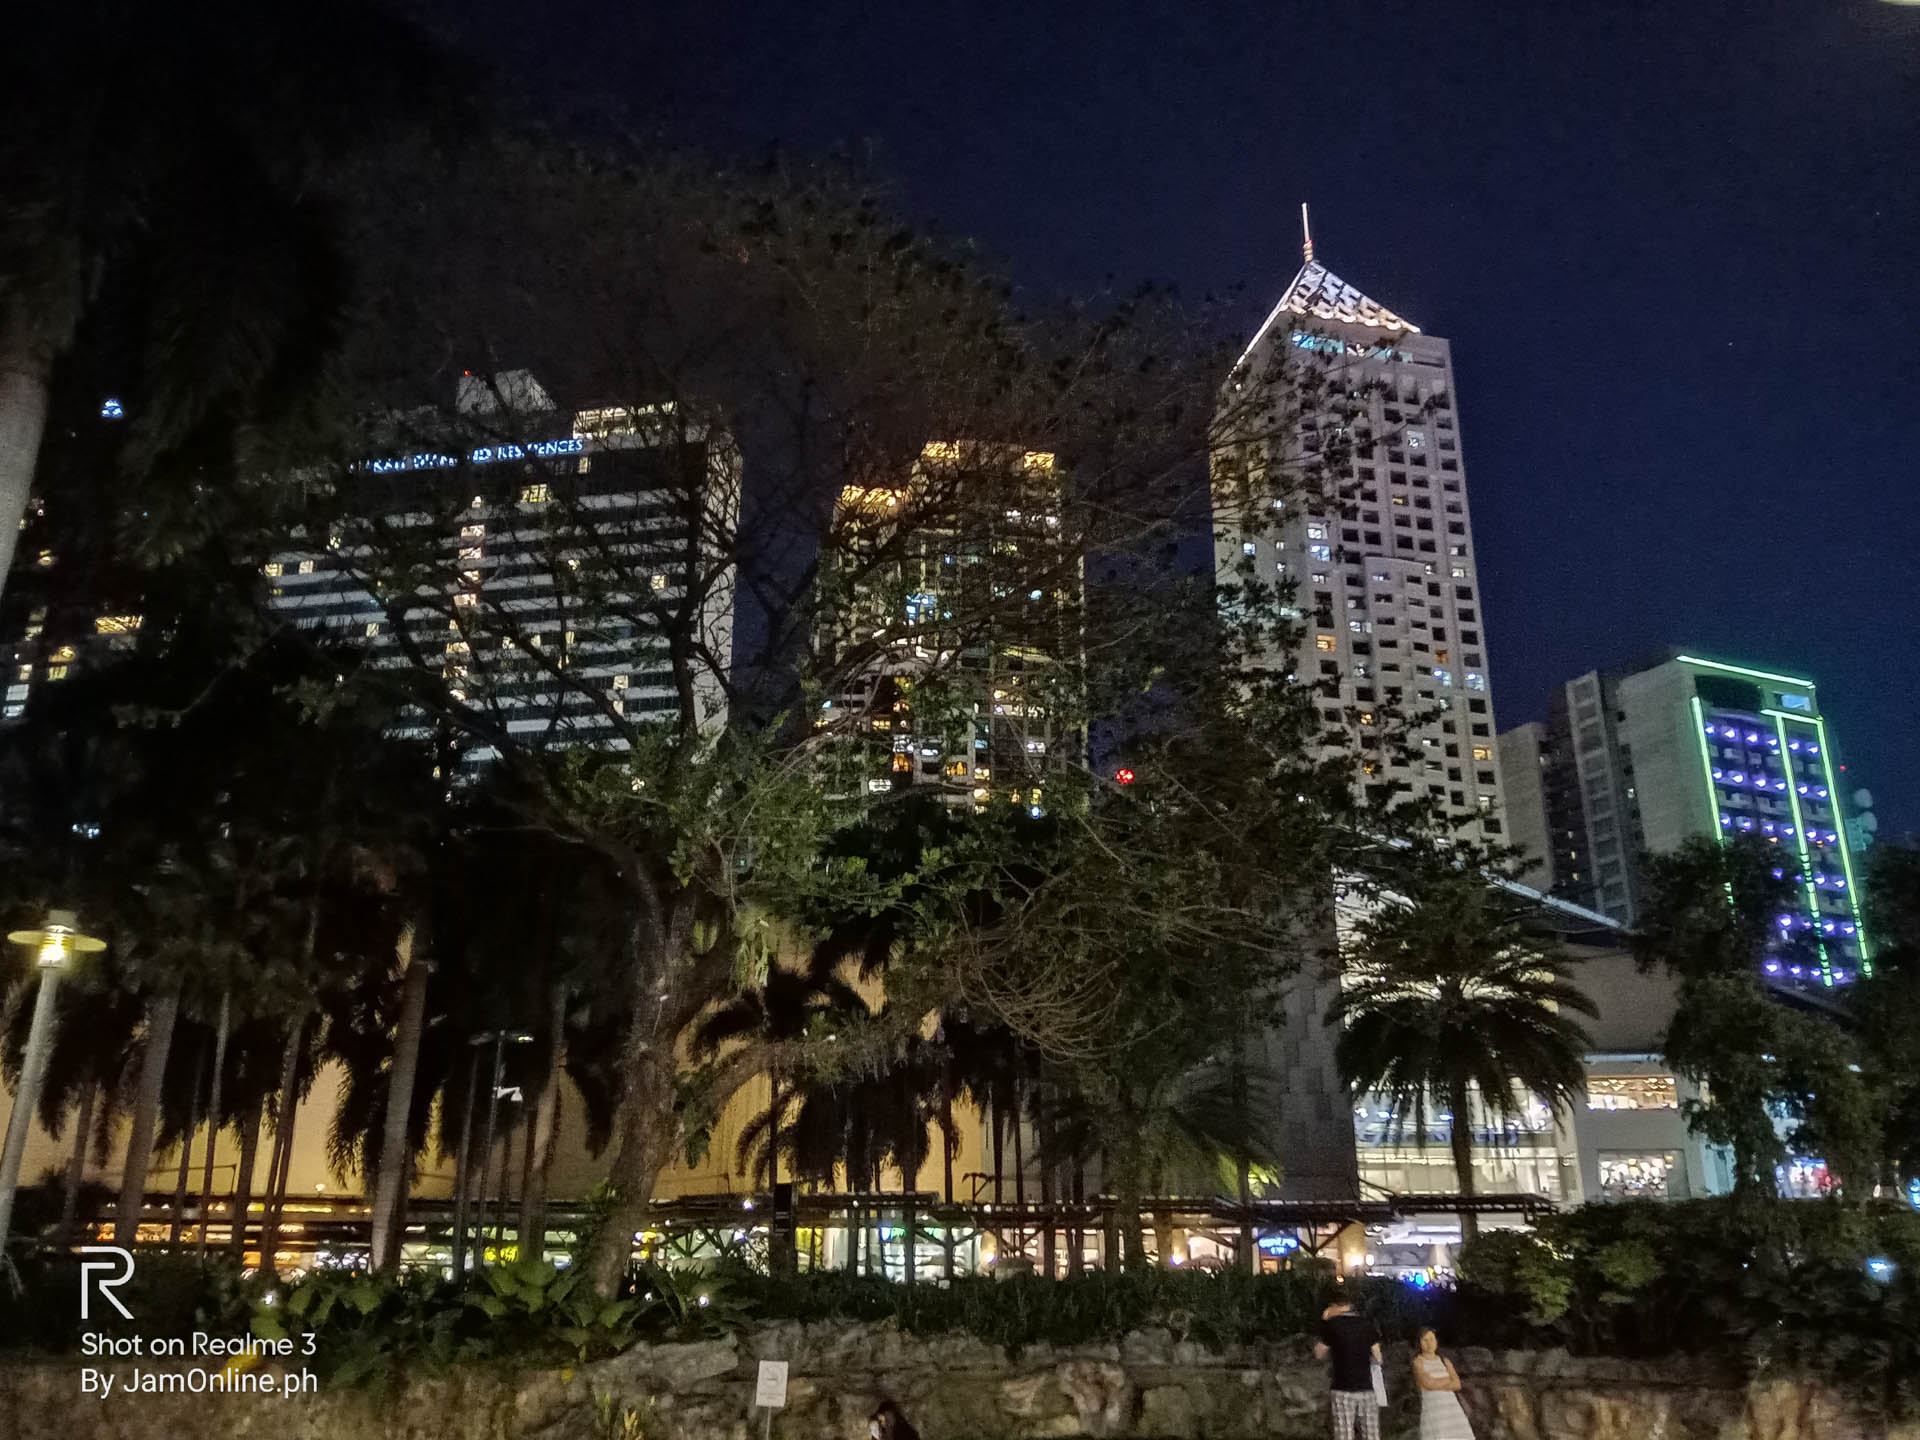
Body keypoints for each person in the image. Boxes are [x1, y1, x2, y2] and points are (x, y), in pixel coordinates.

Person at [1314, 1297, 1382, 1440]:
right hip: (1366, 1388)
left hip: (1342, 1389)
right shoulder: (1366, 1324)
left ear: (1334, 1306)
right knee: (1372, 1434)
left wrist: (1324, 1322)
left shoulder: (1332, 1326)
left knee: (1344, 1434)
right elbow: (1378, 1358)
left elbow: (1319, 1354)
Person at [1410, 1328, 1475, 1440]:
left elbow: (1457, 1384)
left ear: (1436, 1341)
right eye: (1425, 1340)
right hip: (1434, 1409)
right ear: (1419, 1343)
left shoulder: (1445, 1361)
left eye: (1431, 1339)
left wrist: (1436, 1382)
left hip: (1450, 1407)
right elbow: (1428, 1383)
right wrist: (1448, 1379)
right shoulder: (1418, 1362)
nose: (1429, 1343)